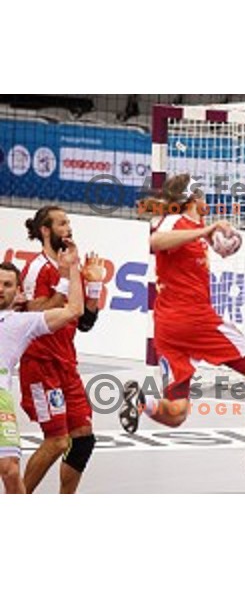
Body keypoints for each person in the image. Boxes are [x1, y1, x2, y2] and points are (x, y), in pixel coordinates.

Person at [120, 174, 245, 471]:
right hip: (195, 320)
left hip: (168, 327)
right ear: (193, 199)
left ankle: (142, 402)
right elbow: (155, 240)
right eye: (203, 196)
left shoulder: (193, 229)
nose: (207, 202)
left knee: (176, 413)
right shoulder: (173, 220)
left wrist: (211, 235)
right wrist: (207, 229)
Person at [19, 206, 105, 494]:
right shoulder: (37, 268)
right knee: (56, 440)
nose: (69, 228)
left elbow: (85, 323)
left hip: (67, 365)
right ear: (45, 230)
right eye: (62, 224)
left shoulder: (72, 265)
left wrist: (94, 285)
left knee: (83, 439)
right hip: (41, 364)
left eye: (69, 222)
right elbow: (33, 312)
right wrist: (67, 279)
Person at [0, 249, 84, 494]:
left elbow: (74, 311)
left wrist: (73, 269)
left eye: (7, 285)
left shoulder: (21, 323)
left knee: (10, 469)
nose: (1, 289)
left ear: (17, 292)